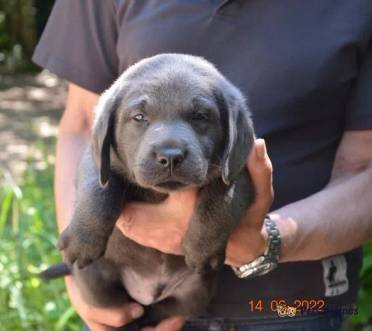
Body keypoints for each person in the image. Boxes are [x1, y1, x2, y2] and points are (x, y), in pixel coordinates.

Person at [33, 1, 372, 330]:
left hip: (292, 304)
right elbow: (84, 125)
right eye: (141, 117)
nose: (169, 152)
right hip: (117, 285)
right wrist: (81, 254)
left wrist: (267, 240)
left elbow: (365, 166)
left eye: (200, 117)